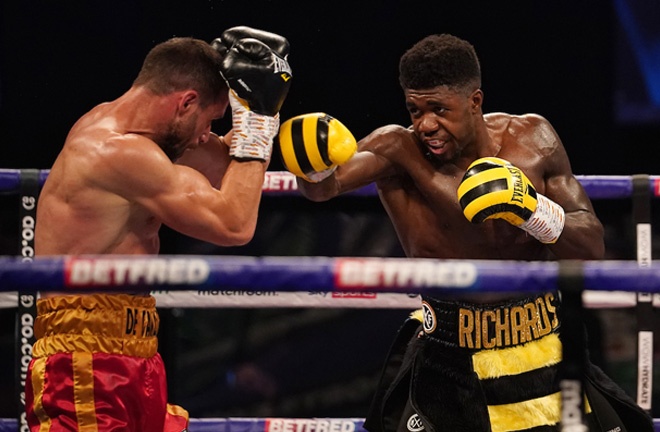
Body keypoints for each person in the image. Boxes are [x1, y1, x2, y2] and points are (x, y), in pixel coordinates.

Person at [279, 34, 653, 431]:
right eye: (414, 109)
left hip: (546, 343)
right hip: (448, 359)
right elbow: (323, 188)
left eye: (438, 109)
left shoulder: (531, 140)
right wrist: (311, 159)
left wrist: (531, 210)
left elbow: (591, 247)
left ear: (475, 101)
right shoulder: (397, 150)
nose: (425, 124)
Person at [27, 27, 292, 432]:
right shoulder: (115, 151)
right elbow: (234, 223)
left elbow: (230, 169)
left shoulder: (150, 135)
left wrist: (264, 117)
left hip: (138, 351)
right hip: (83, 361)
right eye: (209, 119)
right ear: (186, 102)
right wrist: (257, 124)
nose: (208, 134)